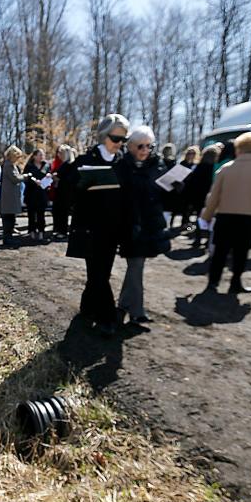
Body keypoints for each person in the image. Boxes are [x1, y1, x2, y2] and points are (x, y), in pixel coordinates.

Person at [67, 113, 130, 337]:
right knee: (98, 273)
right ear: (103, 136)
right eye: (116, 138)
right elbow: (68, 191)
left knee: (100, 273)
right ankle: (107, 317)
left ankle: (87, 306)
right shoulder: (85, 161)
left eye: (124, 139)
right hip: (90, 229)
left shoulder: (124, 164)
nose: (120, 144)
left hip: (113, 231)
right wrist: (81, 186)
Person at [201, 132, 251, 294]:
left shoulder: (225, 169)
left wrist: (207, 215)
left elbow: (214, 196)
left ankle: (213, 282)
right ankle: (236, 282)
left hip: (225, 217)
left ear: (238, 148)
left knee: (220, 250)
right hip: (250, 218)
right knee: (241, 251)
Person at [117, 126, 173, 325]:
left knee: (135, 268)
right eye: (141, 145)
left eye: (149, 146)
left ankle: (123, 305)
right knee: (136, 267)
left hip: (150, 225)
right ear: (131, 146)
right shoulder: (122, 165)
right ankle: (137, 312)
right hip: (130, 225)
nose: (145, 149)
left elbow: (165, 194)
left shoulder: (157, 165)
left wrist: (176, 187)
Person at [183, 144, 221, 247]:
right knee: (210, 219)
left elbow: (192, 183)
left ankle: (198, 238)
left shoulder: (198, 167)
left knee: (200, 218)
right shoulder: (215, 168)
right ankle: (208, 239)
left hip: (198, 197)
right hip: (210, 196)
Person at [0, 146, 31, 247]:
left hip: (11, 196)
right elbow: (15, 178)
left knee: (11, 218)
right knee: (8, 218)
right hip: (9, 197)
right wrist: (25, 176)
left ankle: (9, 237)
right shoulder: (8, 165)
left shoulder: (10, 165)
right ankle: (7, 239)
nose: (18, 158)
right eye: (17, 156)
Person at [22, 148, 51, 242]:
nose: (41, 157)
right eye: (39, 155)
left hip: (42, 193)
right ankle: (32, 231)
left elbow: (50, 175)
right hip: (31, 193)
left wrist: (49, 176)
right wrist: (34, 181)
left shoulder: (46, 165)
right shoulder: (29, 166)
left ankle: (41, 232)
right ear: (34, 156)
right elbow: (25, 178)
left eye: (43, 155)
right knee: (31, 213)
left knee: (41, 214)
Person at [51, 144, 76, 240]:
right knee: (58, 211)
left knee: (63, 213)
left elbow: (66, 178)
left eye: (61, 153)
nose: (59, 155)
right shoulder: (64, 164)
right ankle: (58, 230)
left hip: (66, 193)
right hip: (61, 192)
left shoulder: (69, 164)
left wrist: (56, 177)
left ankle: (63, 231)